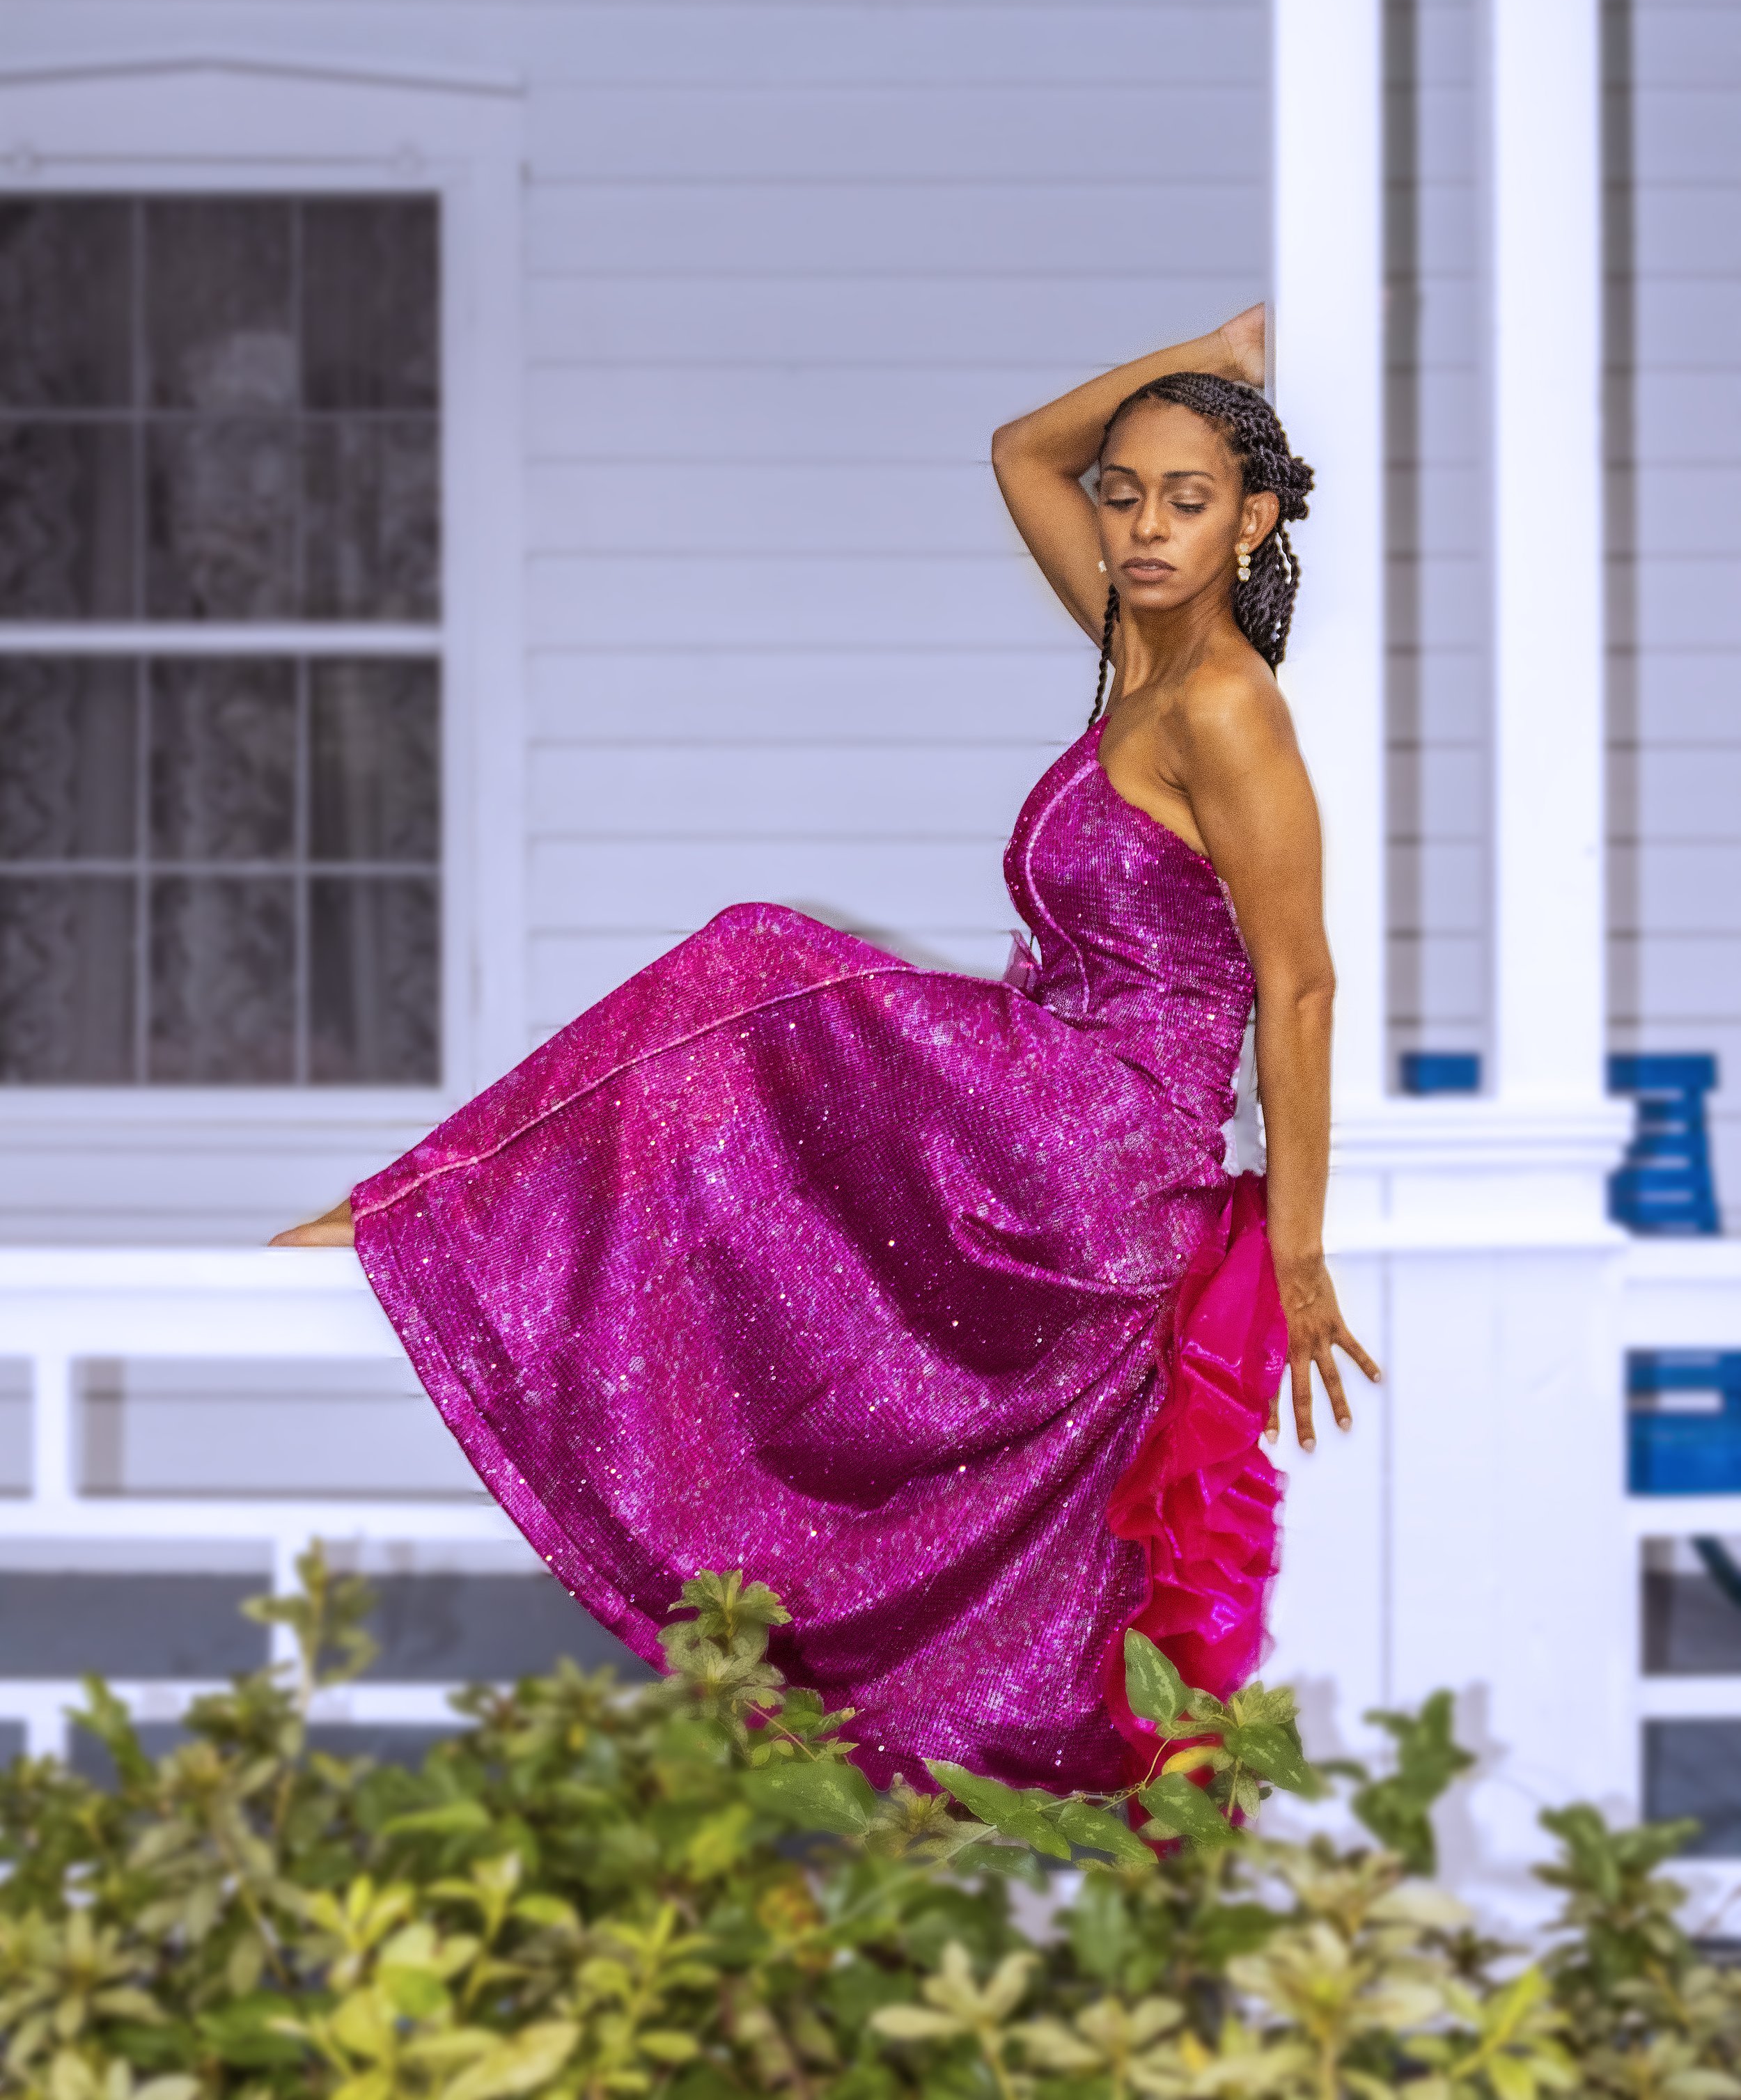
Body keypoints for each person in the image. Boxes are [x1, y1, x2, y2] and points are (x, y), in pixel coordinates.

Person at [272, 305, 1377, 1794]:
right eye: (1124, 497)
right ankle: (451, 1218)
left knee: (757, 961)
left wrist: (1294, 1245)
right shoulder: (1135, 653)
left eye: (1185, 502)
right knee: (747, 1073)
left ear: (1249, 521)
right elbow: (1019, 452)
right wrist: (1211, 360)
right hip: (1045, 1094)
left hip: (1103, 1136)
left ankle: (431, 1209)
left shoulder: (1227, 705)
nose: (1139, 528)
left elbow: (1296, 985)